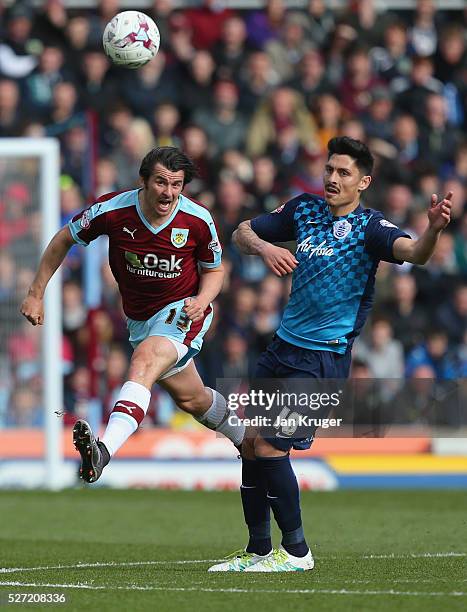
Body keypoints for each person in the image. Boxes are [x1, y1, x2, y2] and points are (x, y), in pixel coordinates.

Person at [209, 136, 452, 572]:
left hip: (322, 360)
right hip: (280, 350)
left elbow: (414, 253)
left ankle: (298, 552)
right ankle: (258, 551)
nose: (333, 178)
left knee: (269, 448)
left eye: (343, 173)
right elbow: (240, 232)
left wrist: (432, 228)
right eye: (329, 169)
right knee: (248, 444)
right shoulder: (303, 210)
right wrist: (265, 246)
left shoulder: (371, 228)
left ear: (364, 182)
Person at [20, 146, 244, 483]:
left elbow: (215, 271)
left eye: (177, 185)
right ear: (143, 181)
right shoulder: (113, 211)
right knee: (192, 398)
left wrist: (201, 300)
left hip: (183, 310)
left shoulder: (197, 219)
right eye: (161, 182)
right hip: (140, 319)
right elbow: (64, 238)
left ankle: (103, 451)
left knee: (144, 359)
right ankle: (249, 440)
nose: (168, 193)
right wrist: (36, 293)